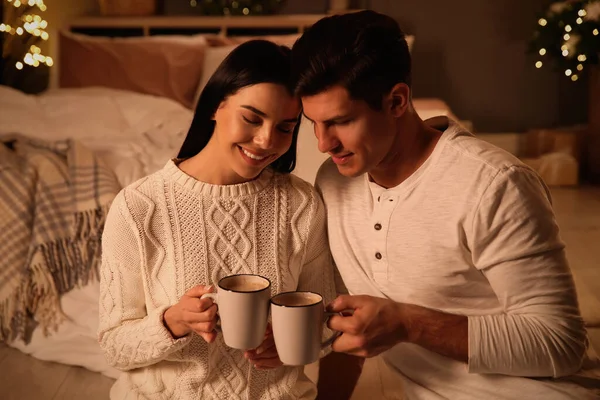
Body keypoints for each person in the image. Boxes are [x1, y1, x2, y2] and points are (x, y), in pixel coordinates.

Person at [292, 10, 600, 400]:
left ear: (397, 101)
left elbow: (560, 343)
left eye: (341, 121)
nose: (323, 143)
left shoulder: (494, 184)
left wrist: (408, 324)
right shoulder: (333, 180)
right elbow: (348, 325)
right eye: (313, 123)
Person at [98, 39, 337, 400]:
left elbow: (327, 321)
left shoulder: (301, 204)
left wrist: (291, 343)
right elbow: (114, 346)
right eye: (252, 118)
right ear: (215, 105)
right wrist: (172, 322)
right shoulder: (139, 207)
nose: (265, 141)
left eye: (285, 128)